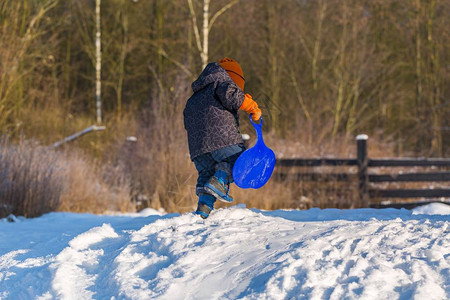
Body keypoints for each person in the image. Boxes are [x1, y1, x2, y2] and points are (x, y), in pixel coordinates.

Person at [184, 57, 262, 219]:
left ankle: (203, 210)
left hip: (197, 148)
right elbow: (232, 95)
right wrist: (251, 106)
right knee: (239, 162)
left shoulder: (195, 97)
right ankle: (219, 182)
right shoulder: (221, 82)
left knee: (207, 173)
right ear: (233, 77)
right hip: (222, 139)